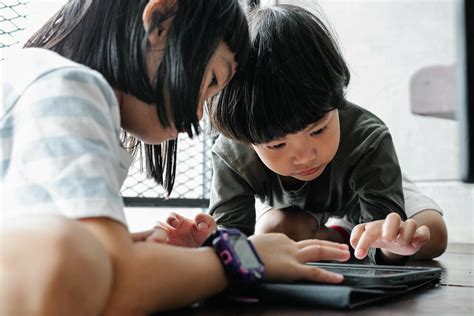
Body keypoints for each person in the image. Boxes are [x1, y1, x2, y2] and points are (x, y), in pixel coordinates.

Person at [0, 1, 351, 315]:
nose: (199, 113)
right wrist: (246, 259)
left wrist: (158, 258)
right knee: (70, 251)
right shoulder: (67, 87)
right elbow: (114, 284)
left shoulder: (53, 86)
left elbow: (99, 270)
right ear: (161, 22)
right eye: (211, 80)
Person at [152, 4, 448, 265]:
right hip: (297, 211)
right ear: (247, 140)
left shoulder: (368, 140)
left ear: (337, 104)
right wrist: (209, 244)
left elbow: (383, 232)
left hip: (368, 194)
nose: (305, 155)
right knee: (272, 232)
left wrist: (392, 247)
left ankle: (346, 236)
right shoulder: (233, 156)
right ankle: (338, 236)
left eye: (319, 129)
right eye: (277, 144)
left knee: (429, 234)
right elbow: (235, 242)